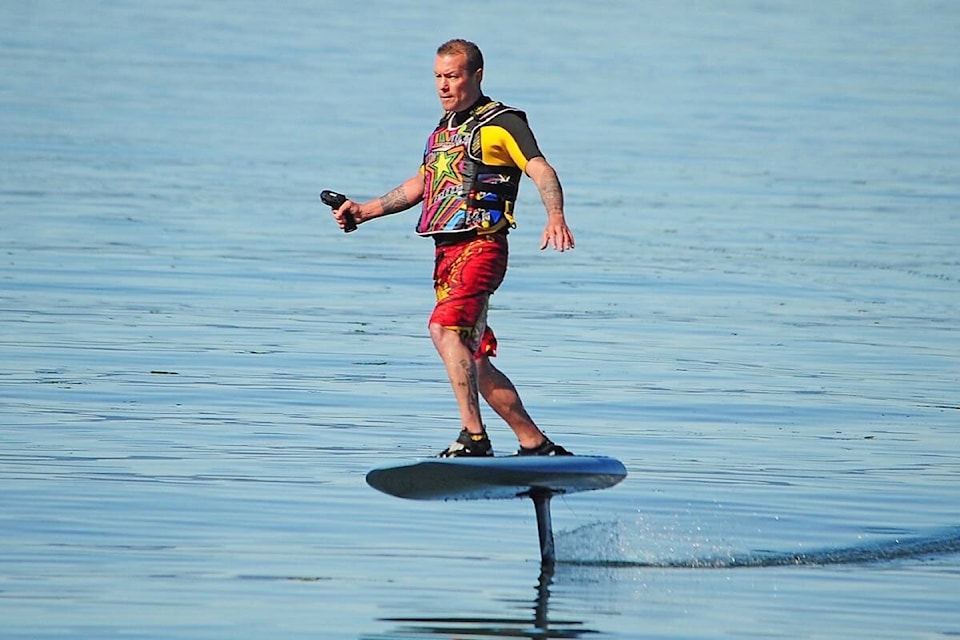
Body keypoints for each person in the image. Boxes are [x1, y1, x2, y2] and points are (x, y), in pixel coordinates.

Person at [331, 39, 575, 457]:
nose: (444, 86)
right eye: (438, 77)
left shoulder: (502, 123)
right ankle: (534, 443)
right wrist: (364, 211)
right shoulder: (443, 131)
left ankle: (473, 438)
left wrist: (555, 215)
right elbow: (424, 184)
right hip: (445, 255)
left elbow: (539, 167)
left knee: (443, 330)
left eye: (454, 76)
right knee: (475, 359)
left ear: (477, 75)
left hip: (481, 246)